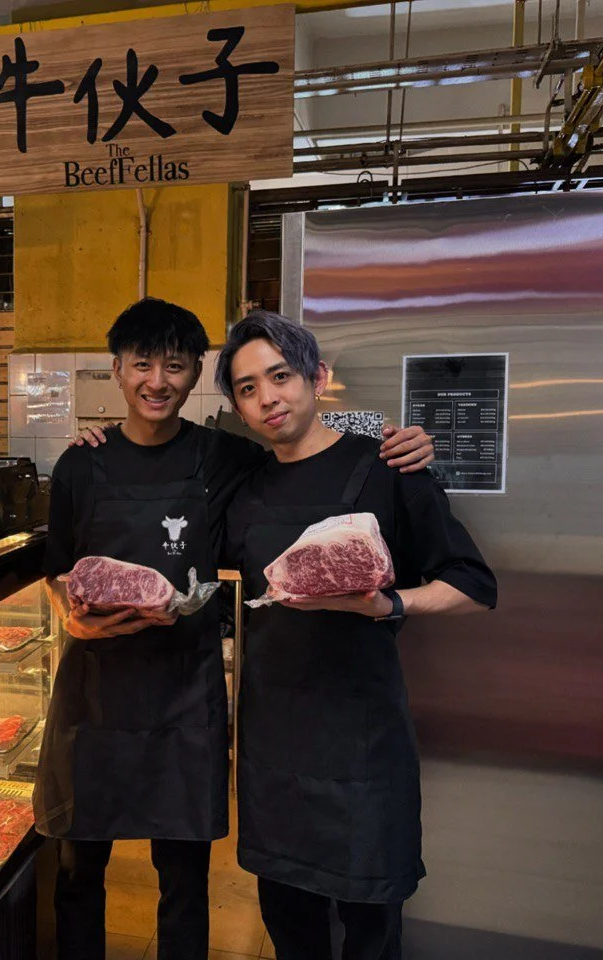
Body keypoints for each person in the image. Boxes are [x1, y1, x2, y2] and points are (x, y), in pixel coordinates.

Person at [37, 297, 436, 960]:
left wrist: (400, 440)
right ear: (117, 369)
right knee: (78, 872)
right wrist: (69, 615)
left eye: (174, 366)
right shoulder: (80, 463)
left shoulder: (227, 456)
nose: (157, 381)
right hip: (95, 696)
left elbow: (309, 452)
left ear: (195, 373)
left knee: (184, 881)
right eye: (142, 365)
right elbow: (57, 571)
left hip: (184, 697)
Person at [215, 310, 497, 960]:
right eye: (248, 389)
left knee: (372, 928)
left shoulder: (389, 467)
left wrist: (388, 604)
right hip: (274, 743)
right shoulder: (244, 488)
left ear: (317, 377)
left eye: (280, 377)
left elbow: (474, 585)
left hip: (362, 742)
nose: (268, 398)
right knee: (289, 925)